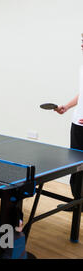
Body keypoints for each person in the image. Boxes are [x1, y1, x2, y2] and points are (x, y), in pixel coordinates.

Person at [54, 35, 83, 210]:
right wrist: (66, 106)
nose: (81, 45)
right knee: (76, 166)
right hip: (77, 123)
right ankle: (77, 202)